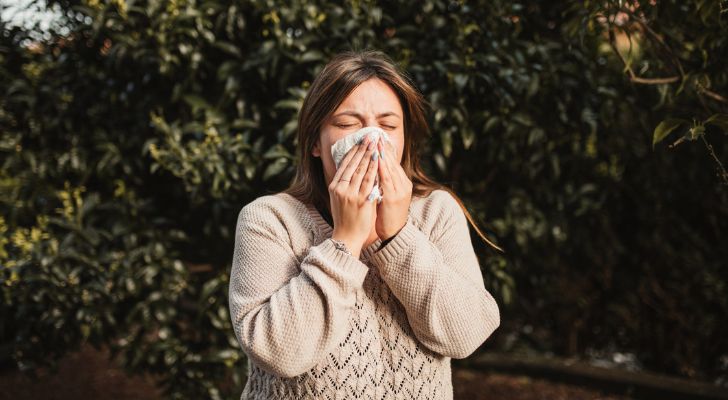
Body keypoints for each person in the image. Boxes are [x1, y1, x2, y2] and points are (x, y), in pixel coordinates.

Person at [228, 49, 501, 400]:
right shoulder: (269, 219)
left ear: (403, 142)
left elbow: (465, 335)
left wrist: (397, 237)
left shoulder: (436, 212)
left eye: (387, 126)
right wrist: (345, 242)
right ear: (315, 141)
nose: (371, 140)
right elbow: (280, 353)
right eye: (347, 124)